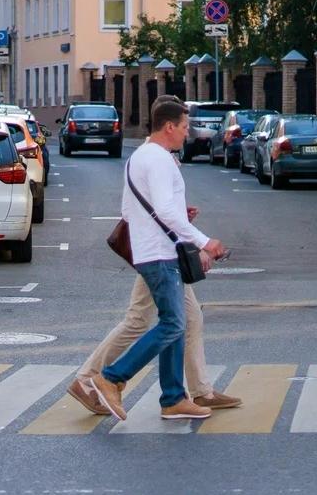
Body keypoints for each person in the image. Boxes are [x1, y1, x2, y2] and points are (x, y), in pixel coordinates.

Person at [70, 95, 240, 416]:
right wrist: (203, 242)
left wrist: (178, 217)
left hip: (158, 251)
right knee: (169, 324)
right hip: (161, 255)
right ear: (169, 126)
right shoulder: (159, 159)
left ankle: (176, 397)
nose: (187, 133)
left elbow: (132, 210)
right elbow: (161, 209)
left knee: (181, 320)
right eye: (185, 127)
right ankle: (109, 379)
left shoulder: (141, 157)